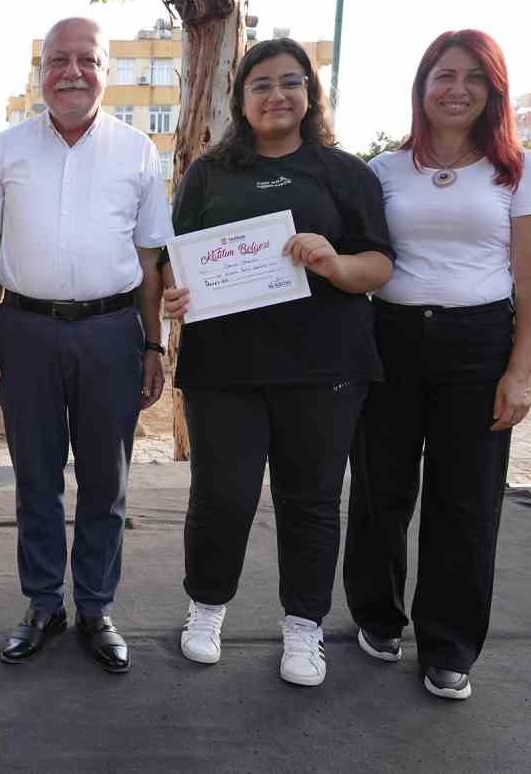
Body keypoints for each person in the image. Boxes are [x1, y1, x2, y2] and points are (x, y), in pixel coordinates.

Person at [160, 38, 394, 686]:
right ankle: (206, 609)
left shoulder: (345, 175)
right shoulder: (208, 174)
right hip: (224, 371)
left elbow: (378, 263)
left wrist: (334, 261)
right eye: (261, 84)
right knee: (221, 498)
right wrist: (175, 294)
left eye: (291, 82)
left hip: (325, 368)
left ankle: (304, 628)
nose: (276, 95)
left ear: (310, 95)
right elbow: (174, 259)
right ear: (240, 97)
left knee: (312, 502)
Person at [343, 29, 531, 701]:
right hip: (390, 340)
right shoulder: (383, 169)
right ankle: (377, 618)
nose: (456, 89)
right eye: (443, 75)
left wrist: (519, 371)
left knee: (465, 502)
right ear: (422, 86)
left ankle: (449, 645)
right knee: (380, 491)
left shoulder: (520, 169)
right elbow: (357, 254)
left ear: (493, 90)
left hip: (480, 345)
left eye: (472, 77)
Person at [0, 18, 171, 674]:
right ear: (41, 70)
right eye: (59, 59)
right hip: (24, 330)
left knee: (105, 482)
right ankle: (41, 604)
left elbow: (150, 259)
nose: (72, 71)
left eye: (87, 59)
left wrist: (154, 345)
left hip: (113, 333)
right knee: (35, 477)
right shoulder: (7, 149)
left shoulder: (139, 152)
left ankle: (94, 606)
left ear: (106, 69)